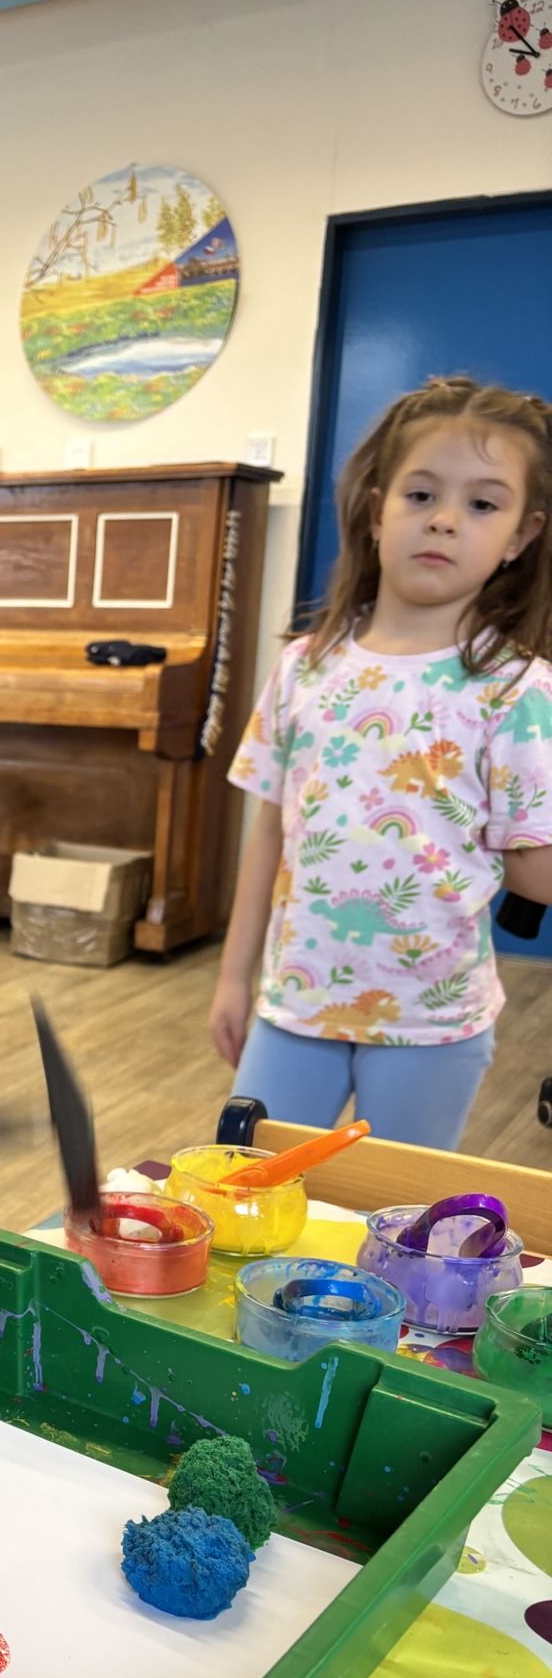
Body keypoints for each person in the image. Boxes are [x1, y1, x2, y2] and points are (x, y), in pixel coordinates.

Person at [213, 377, 552, 1147]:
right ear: (376, 512)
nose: (443, 519)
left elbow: (535, 872)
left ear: (521, 535)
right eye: (421, 494)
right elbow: (269, 833)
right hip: (294, 1008)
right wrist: (234, 977)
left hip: (432, 1024)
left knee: (395, 1212)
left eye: (483, 504)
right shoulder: (305, 666)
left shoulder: (518, 688)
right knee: (249, 1191)